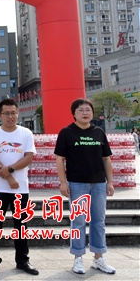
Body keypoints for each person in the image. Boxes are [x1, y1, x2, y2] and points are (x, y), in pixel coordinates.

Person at [55, 98, 116, 275]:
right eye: (80, 110)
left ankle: (98, 258)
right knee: (79, 221)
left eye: (88, 110)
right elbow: (59, 159)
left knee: (98, 221)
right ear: (74, 114)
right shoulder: (66, 133)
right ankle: (78, 258)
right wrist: (63, 182)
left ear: (92, 113)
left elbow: (106, 159)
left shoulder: (99, 132)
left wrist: (110, 182)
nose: (85, 113)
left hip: (99, 183)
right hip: (77, 184)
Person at [0, 98, 39, 276]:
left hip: (20, 188)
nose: (10, 116)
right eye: (6, 113)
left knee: (21, 225)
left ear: (18, 113)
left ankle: (22, 260)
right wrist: (9, 178)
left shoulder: (25, 133)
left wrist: (9, 170)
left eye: (13, 113)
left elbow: (28, 157)